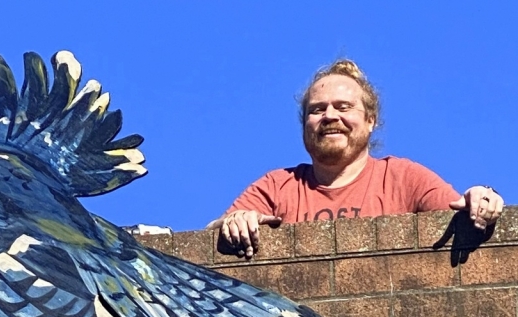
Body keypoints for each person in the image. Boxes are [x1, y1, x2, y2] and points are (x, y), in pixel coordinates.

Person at [208, 59, 505, 259]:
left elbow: (460, 215)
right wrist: (234, 222)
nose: (330, 117)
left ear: (370, 120)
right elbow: (208, 238)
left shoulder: (403, 177)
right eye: (317, 110)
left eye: (343, 107)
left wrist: (483, 199)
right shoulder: (277, 185)